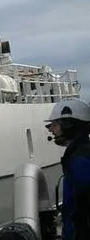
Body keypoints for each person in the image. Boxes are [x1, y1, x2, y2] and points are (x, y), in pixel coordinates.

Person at [46, 99, 90, 240]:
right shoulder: (80, 155)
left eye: (55, 125)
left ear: (70, 125)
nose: (51, 130)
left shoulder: (80, 161)